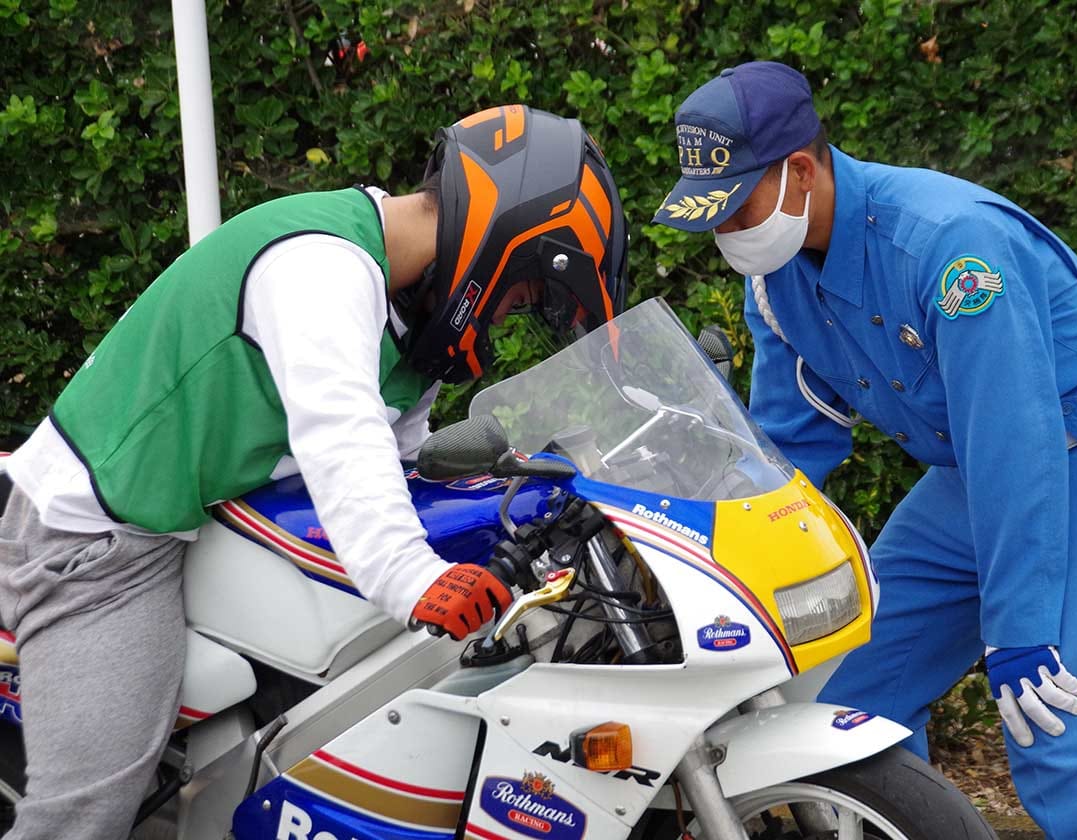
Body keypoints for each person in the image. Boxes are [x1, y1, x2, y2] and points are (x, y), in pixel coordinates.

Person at [0, 103, 627, 840]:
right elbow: (342, 435)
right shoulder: (320, 267)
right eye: (524, 294)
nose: (506, 314)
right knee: (86, 815)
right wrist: (411, 576)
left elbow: (400, 458)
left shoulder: (405, 311)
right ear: (504, 242)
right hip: (94, 538)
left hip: (201, 519)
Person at [654, 62, 1077, 840]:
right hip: (976, 474)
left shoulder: (950, 247)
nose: (725, 233)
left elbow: (1014, 439)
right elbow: (786, 452)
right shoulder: (775, 280)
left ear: (800, 172)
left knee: (1055, 733)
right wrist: (696, 553)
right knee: (845, 704)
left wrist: (1019, 627)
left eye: (735, 206)